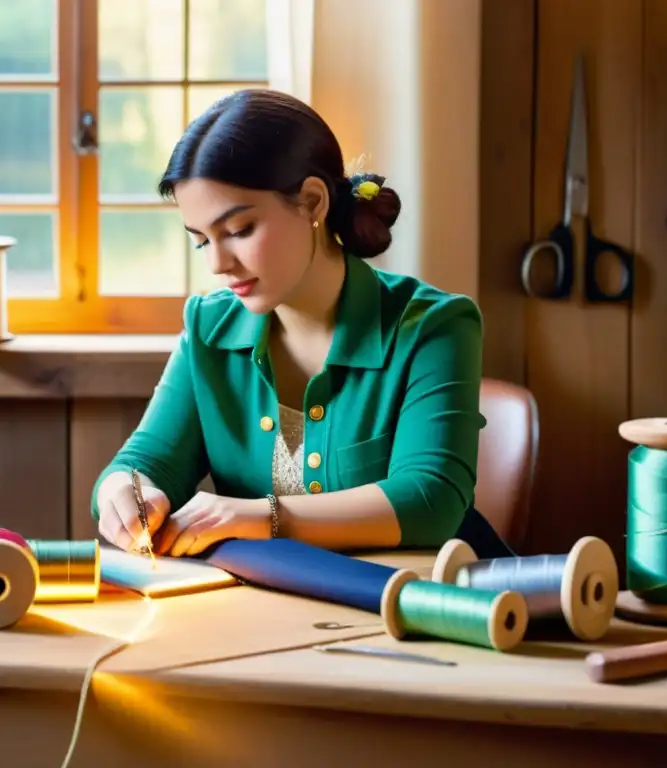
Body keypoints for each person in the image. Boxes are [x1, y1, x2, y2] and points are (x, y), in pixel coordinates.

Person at [91, 88, 512, 561]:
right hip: (278, 612)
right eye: (201, 241)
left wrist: (261, 517)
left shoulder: (434, 327)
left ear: (313, 202)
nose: (217, 263)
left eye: (238, 231)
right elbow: (142, 463)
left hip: (431, 610)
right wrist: (126, 494)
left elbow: (429, 501)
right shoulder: (208, 329)